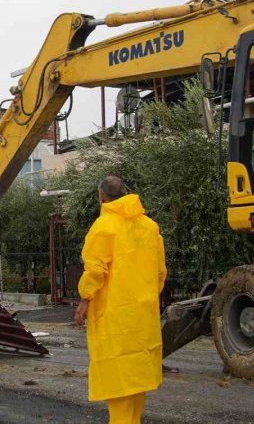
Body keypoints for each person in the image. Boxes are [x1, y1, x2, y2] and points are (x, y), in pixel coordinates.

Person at [74, 176, 167, 424]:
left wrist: (85, 299)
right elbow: (160, 273)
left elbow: (95, 271)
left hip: (114, 319)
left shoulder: (104, 227)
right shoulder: (149, 227)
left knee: (118, 386)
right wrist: (143, 297)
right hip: (143, 318)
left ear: (101, 197)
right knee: (136, 383)